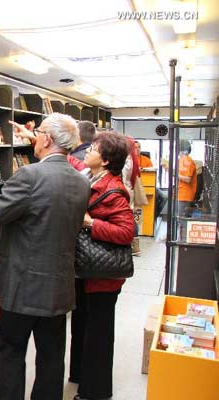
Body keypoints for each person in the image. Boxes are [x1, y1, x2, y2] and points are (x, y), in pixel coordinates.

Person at [0, 113, 90, 400]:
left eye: (38, 132)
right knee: (52, 359)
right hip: (58, 289)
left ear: (48, 139)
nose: (34, 137)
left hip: (21, 288)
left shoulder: (29, 175)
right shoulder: (81, 182)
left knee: (12, 353)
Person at [67, 132, 134, 400]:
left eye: (93, 149)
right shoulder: (92, 176)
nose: (87, 152)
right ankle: (80, 375)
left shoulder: (114, 190)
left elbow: (126, 232)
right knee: (83, 324)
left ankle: (95, 391)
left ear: (105, 161)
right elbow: (72, 163)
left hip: (103, 277)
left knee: (98, 333)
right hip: (88, 271)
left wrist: (91, 223)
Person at [177, 140, 197, 217]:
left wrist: (175, 174)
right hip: (181, 193)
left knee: (182, 220)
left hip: (185, 196)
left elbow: (188, 179)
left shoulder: (187, 161)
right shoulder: (182, 160)